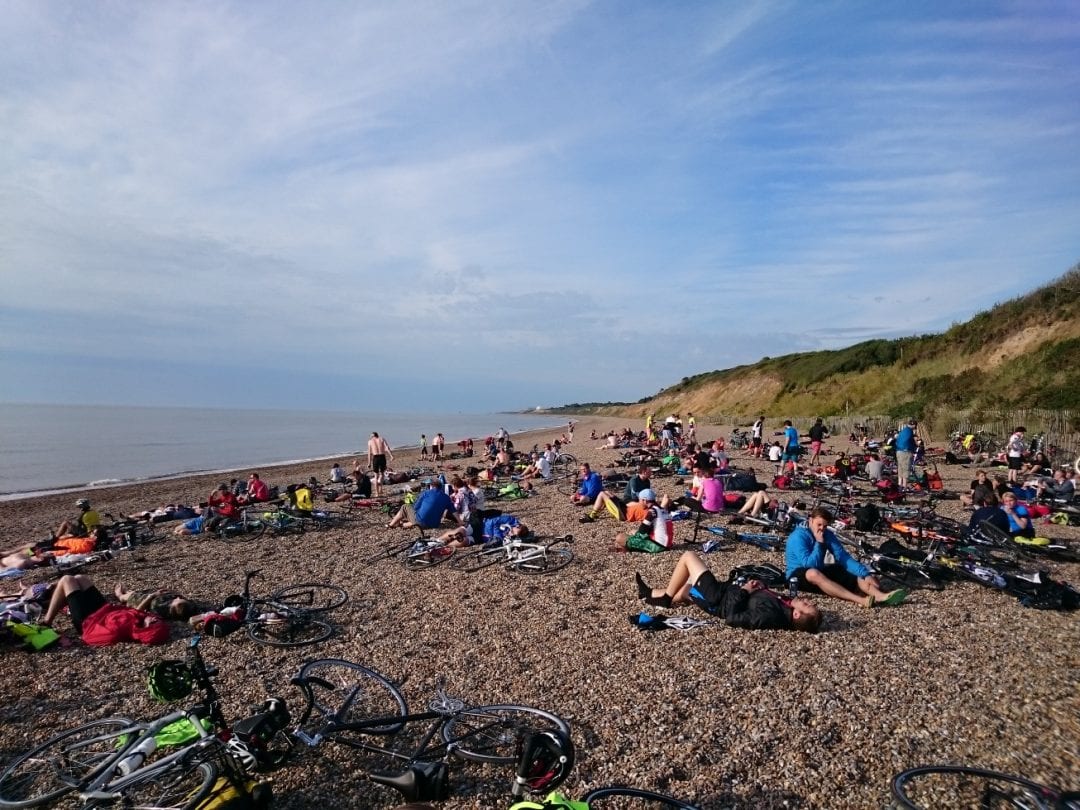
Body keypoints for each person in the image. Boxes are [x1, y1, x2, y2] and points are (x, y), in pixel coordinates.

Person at [635, 551, 822, 632]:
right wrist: (759, 587)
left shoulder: (771, 615)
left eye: (806, 605)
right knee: (686, 590)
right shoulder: (784, 606)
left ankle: (666, 599)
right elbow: (760, 600)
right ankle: (649, 594)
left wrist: (745, 591)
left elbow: (732, 618)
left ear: (797, 614)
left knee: (688, 557)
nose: (807, 600)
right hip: (724, 592)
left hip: (717, 599)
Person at [785, 507, 907, 607]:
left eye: (825, 526)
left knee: (853, 571)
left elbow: (843, 557)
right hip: (796, 576)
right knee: (813, 573)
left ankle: (880, 596)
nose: (821, 528)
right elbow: (809, 565)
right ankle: (859, 599)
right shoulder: (798, 536)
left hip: (818, 569)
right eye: (819, 524)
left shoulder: (826, 534)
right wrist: (819, 543)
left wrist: (865, 574)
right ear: (810, 521)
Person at [387, 479, 455, 530]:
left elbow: (415, 507)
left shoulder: (426, 493)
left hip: (422, 521)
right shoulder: (446, 497)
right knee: (420, 520)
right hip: (435, 524)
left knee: (405, 507)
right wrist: (460, 522)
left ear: (431, 486)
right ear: (440, 487)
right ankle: (402, 525)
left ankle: (391, 525)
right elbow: (454, 511)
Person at [115, 583, 198, 621]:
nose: (178, 598)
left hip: (143, 601)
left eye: (177, 599)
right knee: (135, 593)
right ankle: (129, 592)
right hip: (154, 596)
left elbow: (138, 611)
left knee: (132, 596)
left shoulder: (158, 608)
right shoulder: (183, 609)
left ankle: (120, 595)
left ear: (172, 606)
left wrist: (152, 596)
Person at [367, 432, 394, 496]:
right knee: (382, 474)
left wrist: (369, 463)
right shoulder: (382, 439)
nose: (371, 437)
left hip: (376, 457)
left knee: (376, 475)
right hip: (382, 457)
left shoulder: (370, 441)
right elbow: (387, 447)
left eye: (371, 436)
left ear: (373, 436)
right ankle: (380, 489)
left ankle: (377, 492)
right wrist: (391, 455)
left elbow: (369, 453)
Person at [894, 419, 918, 489]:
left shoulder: (903, 430)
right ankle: (904, 486)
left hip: (898, 451)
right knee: (906, 469)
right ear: (914, 425)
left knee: (900, 468)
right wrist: (914, 448)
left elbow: (899, 440)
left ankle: (899, 484)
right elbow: (911, 442)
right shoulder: (910, 432)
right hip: (906, 452)